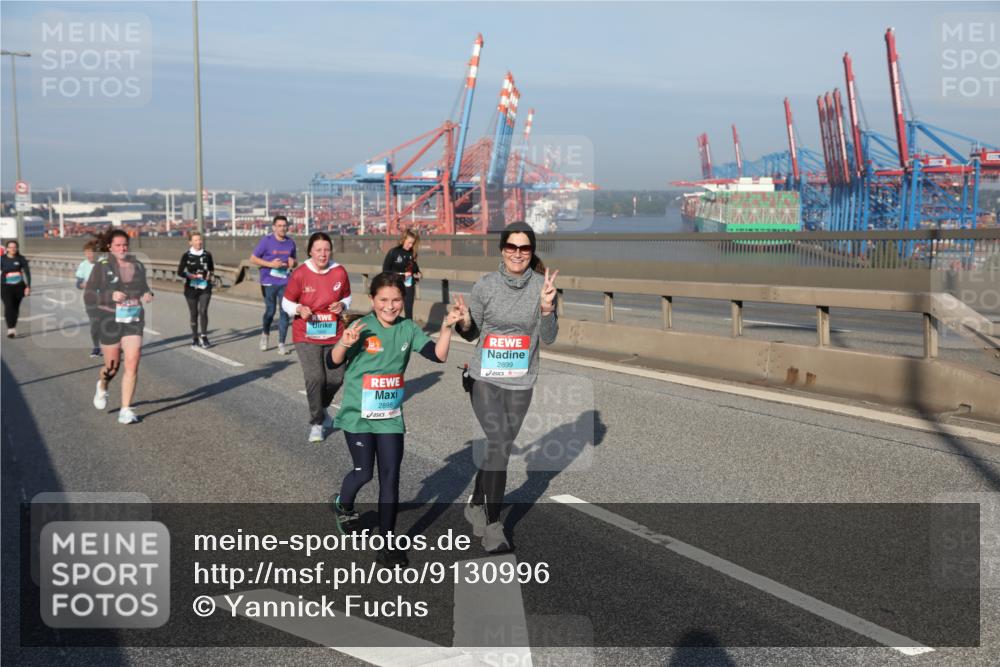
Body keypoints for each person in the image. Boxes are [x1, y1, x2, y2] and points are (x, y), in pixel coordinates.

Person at [331, 272, 462, 567]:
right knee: (364, 473)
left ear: (404, 301)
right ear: (373, 301)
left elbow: (437, 356)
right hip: (358, 415)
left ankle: (388, 545)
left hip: (389, 416)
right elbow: (333, 361)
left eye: (396, 300)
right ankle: (344, 504)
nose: (390, 306)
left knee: (390, 478)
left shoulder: (407, 328)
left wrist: (446, 329)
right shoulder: (360, 327)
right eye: (383, 300)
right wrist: (343, 342)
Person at [454, 221, 559, 553]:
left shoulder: (544, 286)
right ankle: (493, 526)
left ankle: (475, 501)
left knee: (498, 447)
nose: (517, 253)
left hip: (522, 380)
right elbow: (471, 334)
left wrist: (546, 309)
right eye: (511, 247)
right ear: (502, 250)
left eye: (524, 248)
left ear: (532, 251)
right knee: (499, 441)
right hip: (484, 377)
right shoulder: (485, 286)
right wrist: (464, 321)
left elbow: (551, 337)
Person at [281, 232, 352, 443]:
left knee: (335, 378)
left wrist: (343, 305)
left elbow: (347, 295)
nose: (323, 254)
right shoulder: (301, 273)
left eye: (326, 249)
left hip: (334, 333)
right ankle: (317, 423)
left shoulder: (339, 272)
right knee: (315, 377)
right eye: (318, 250)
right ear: (310, 251)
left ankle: (321, 408)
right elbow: (286, 302)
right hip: (306, 333)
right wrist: (299, 308)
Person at [85, 229, 154, 425]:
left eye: (125, 244)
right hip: (109, 319)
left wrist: (148, 294)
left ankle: (125, 409)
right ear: (109, 247)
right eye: (118, 245)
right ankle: (103, 384)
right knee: (112, 367)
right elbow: (89, 295)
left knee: (132, 362)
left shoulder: (137, 264)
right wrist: (109, 296)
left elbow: (143, 287)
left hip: (133, 318)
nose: (122, 248)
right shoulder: (101, 266)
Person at [251, 215, 296, 354]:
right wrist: (271, 264)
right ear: (274, 227)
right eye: (280, 226)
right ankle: (265, 334)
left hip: (284, 281)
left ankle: (281, 343)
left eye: (285, 225)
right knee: (270, 311)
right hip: (268, 281)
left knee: (285, 312)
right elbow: (253, 259)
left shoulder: (290, 243)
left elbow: (294, 261)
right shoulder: (266, 241)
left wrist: (293, 263)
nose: (282, 228)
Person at [177, 231, 215, 349]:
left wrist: (209, 275)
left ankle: (204, 337)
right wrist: (189, 275)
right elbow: (180, 272)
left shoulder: (207, 254)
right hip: (191, 288)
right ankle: (195, 338)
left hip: (205, 287)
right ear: (190, 242)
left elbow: (212, 269)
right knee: (194, 313)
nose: (199, 242)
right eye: (196, 240)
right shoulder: (186, 255)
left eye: (200, 240)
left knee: (203, 310)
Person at [382, 229, 422, 319]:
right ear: (403, 240)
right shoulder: (394, 252)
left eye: (412, 243)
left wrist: (418, 273)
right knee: (396, 307)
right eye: (409, 242)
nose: (410, 245)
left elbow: (415, 268)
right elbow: (385, 270)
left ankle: (409, 328)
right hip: (395, 281)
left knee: (408, 306)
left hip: (408, 280)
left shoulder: (413, 253)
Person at [74, 239, 101, 356]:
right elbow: (78, 283)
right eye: (87, 253)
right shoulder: (83, 265)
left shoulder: (104, 263)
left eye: (91, 253)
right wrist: (81, 284)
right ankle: (96, 347)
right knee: (95, 324)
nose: (89, 255)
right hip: (91, 298)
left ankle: (116, 344)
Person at [1, 239, 31, 338]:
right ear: (7, 249)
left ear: (17, 248)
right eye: (10, 247)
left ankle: (13, 326)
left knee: (15, 308)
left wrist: (28, 287)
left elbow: (27, 273)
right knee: (9, 306)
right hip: (5, 287)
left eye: (14, 247)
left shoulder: (21, 259)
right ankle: (10, 329)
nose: (13, 249)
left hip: (19, 287)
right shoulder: (2, 259)